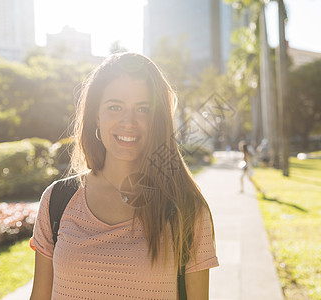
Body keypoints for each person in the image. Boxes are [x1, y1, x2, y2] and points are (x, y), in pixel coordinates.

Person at [29, 53, 218, 299]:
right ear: (97, 115)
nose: (128, 122)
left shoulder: (186, 208)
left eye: (143, 109)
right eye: (115, 107)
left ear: (157, 119)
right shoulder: (57, 200)